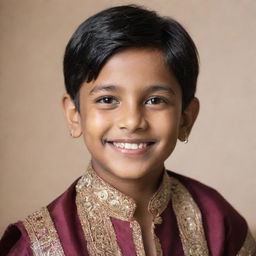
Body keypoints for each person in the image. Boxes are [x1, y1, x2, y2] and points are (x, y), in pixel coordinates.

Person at [0, 5, 255, 256]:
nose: (132, 122)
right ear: (74, 115)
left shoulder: (218, 223)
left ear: (186, 117)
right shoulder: (38, 246)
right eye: (107, 100)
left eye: (155, 100)